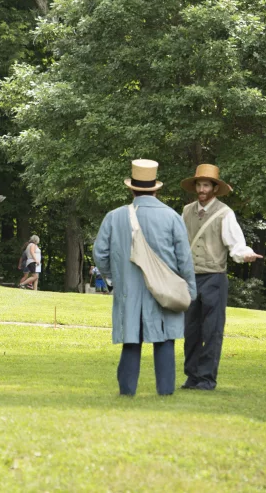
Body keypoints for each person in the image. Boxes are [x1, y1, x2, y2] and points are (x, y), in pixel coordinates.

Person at [93, 159, 196, 397]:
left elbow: (100, 253)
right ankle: (166, 391)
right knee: (165, 338)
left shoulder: (114, 216)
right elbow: (184, 259)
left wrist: (113, 278)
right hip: (166, 288)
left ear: (131, 188)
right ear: (156, 188)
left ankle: (127, 391)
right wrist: (190, 290)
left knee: (131, 340)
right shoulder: (172, 217)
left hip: (128, 288)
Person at [180, 164, 263, 391]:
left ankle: (207, 379)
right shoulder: (186, 211)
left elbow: (235, 243)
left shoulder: (225, 213)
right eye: (199, 184)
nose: (202, 189)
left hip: (214, 278)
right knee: (191, 330)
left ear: (215, 188)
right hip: (190, 279)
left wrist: (245, 254)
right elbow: (178, 242)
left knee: (212, 331)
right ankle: (192, 376)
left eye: (206, 185)